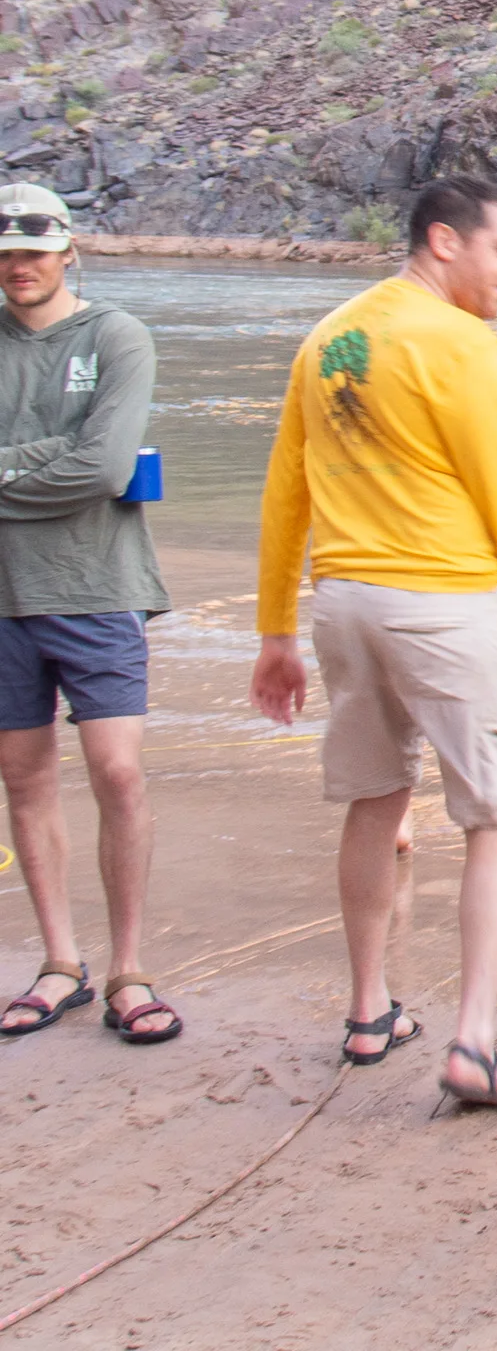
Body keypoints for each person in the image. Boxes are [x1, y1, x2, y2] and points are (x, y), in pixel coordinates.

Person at [250, 175, 497, 1107]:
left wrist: (275, 631)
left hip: (344, 603)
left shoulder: (328, 339)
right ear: (445, 241)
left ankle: (369, 1011)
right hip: (445, 603)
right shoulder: (462, 344)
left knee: (374, 799)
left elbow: (286, 493)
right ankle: (473, 1039)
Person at [0, 184, 179, 1046]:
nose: (19, 267)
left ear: (68, 251)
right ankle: (59, 962)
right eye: (6, 253)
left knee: (118, 773)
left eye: (34, 251)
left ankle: (128, 970)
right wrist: (53, 460)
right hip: (6, 594)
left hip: (100, 586)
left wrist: (30, 464)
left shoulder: (115, 336)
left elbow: (106, 468)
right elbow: (78, 463)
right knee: (24, 777)